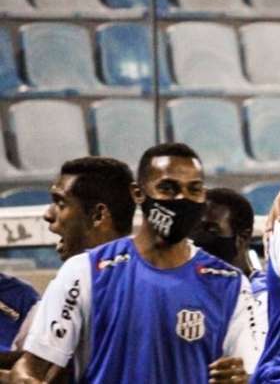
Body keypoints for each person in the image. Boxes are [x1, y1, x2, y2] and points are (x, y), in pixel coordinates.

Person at [11, 144, 260, 383]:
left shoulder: (229, 283)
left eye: (194, 189)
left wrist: (242, 378)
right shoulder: (85, 271)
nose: (182, 199)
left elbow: (250, 370)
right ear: (138, 193)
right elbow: (31, 367)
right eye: (168, 188)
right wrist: (24, 377)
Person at [0, 156, 135, 377]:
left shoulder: (78, 275)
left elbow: (35, 373)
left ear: (99, 215)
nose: (48, 215)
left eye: (61, 203)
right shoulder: (169, 277)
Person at [191, 187, 269, 357]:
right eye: (195, 230)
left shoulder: (266, 300)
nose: (199, 240)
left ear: (242, 237)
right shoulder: (186, 293)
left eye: (212, 230)